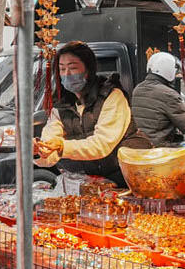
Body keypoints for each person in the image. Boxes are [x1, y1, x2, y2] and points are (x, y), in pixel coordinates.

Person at [34, 41, 150, 185]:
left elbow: (101, 145)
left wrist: (62, 146)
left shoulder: (112, 96)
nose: (66, 74)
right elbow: (50, 147)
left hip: (126, 178)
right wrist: (39, 150)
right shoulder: (60, 105)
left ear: (88, 70)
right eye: (62, 69)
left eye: (73, 68)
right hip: (93, 182)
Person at [130, 51, 185, 147]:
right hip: (160, 151)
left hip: (141, 146)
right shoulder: (168, 94)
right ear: (168, 70)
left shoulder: (137, 89)